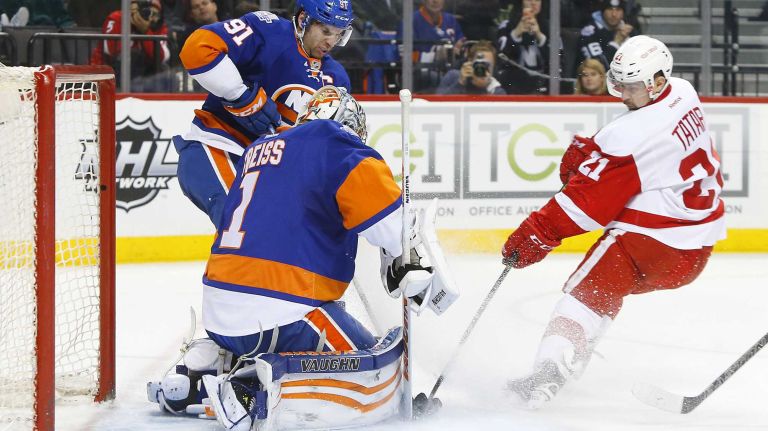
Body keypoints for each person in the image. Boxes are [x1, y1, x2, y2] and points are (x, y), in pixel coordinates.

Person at [147, 87, 458, 429]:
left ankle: (201, 367)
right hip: (279, 312)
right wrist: (411, 262)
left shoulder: (258, 149)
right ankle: (250, 388)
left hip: (218, 311)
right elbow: (394, 229)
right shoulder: (336, 144)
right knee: (378, 368)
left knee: (288, 325)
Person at [501, 36, 725, 408]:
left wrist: (537, 234)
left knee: (583, 297)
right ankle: (576, 350)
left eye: (632, 85)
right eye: (618, 83)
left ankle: (548, 372)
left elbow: (584, 208)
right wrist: (598, 152)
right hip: (698, 246)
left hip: (653, 242)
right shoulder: (683, 92)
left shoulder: (628, 137)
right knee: (604, 293)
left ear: (656, 81)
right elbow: (647, 142)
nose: (622, 93)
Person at [173, 0, 353, 228]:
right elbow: (197, 47)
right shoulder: (269, 31)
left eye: (338, 34)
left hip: (268, 169)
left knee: (276, 239)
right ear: (302, 20)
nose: (331, 41)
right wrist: (240, 95)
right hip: (219, 147)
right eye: (325, 31)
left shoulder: (335, 78)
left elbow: (324, 145)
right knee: (245, 229)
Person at [90, 0, 171, 89]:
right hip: (107, 71)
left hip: (143, 75)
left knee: (167, 74)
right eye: (148, 12)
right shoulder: (116, 18)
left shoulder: (159, 27)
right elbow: (110, 50)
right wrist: (127, 22)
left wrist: (146, 32)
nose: (151, 17)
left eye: (155, 14)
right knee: (132, 56)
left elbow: (161, 57)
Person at [397, 0, 465, 92]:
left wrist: (459, 51)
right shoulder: (410, 21)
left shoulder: (450, 20)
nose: (435, 1)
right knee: (434, 77)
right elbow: (404, 56)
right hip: (419, 74)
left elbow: (461, 44)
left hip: (448, 71)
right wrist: (434, 56)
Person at [495, 0, 550, 94]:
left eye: (537, 0)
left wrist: (540, 37)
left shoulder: (550, 28)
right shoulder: (507, 26)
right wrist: (516, 34)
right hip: (513, 89)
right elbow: (502, 60)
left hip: (543, 90)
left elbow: (559, 61)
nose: (533, 3)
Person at [576, 0, 638, 71]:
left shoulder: (629, 31)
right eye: (609, 9)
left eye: (618, 10)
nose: (614, 14)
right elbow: (598, 67)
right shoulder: (590, 32)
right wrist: (616, 43)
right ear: (602, 12)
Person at [436, 40, 505, 95]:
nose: (482, 68)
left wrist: (483, 88)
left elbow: (491, 111)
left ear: (493, 67)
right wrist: (460, 83)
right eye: (479, 63)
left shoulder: (495, 89)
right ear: (470, 61)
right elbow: (437, 107)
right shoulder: (453, 76)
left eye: (486, 65)